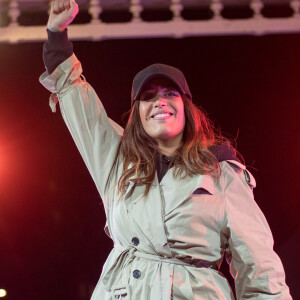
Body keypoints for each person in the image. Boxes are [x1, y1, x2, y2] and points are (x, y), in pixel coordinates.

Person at [40, 0, 292, 299]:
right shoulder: (118, 160)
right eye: (147, 96)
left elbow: (258, 266)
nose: (159, 101)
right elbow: (75, 98)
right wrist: (57, 33)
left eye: (169, 92)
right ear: (137, 113)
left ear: (185, 107)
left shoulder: (221, 172)